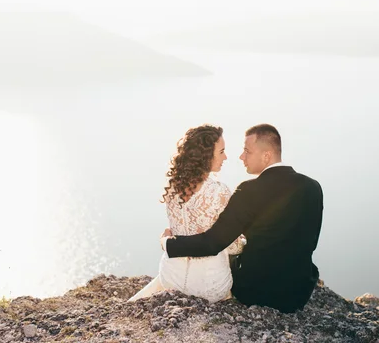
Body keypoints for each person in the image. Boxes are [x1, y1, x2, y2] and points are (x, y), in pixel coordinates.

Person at [161, 124, 323, 313]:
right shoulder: (313, 187)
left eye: (247, 151)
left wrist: (168, 243)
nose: (241, 157)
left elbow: (213, 243)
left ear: (266, 155)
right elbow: (311, 243)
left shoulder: (248, 190)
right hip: (298, 293)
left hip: (254, 292)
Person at [128, 124, 244, 303]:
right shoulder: (219, 192)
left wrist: (166, 241)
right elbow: (233, 246)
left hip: (171, 278)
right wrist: (243, 241)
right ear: (206, 157)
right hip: (210, 286)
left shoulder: (173, 188)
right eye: (221, 152)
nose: (226, 157)